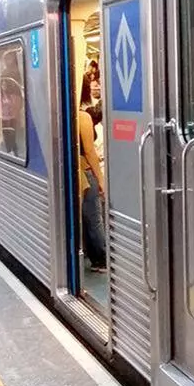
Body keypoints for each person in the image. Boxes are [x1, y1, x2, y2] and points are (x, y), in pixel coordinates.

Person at [78, 108, 107, 272]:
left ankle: (91, 254)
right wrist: (101, 179)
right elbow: (89, 151)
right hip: (86, 172)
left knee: (85, 218)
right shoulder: (83, 117)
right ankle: (101, 259)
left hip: (76, 171)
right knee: (95, 218)